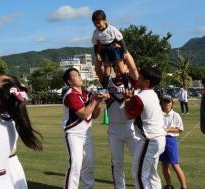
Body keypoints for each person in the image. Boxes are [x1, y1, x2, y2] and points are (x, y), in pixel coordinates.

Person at [100, 52, 140, 189]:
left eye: (122, 64)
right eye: (117, 65)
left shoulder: (133, 81)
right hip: (114, 129)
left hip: (131, 127)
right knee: (117, 163)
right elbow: (104, 70)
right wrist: (101, 54)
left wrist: (123, 50)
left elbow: (134, 69)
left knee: (138, 160)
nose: (119, 67)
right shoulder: (109, 82)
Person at [62, 67, 106, 189]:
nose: (79, 76)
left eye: (79, 74)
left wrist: (99, 102)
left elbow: (95, 115)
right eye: (75, 75)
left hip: (87, 135)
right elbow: (83, 114)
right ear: (69, 81)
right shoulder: (71, 95)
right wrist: (95, 100)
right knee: (75, 166)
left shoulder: (87, 93)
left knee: (89, 166)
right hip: (73, 134)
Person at [125, 67, 166, 189]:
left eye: (140, 77)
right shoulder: (152, 93)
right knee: (152, 174)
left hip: (149, 139)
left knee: (139, 175)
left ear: (146, 81)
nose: (137, 79)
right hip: (158, 137)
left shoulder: (140, 97)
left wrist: (127, 99)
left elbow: (128, 115)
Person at [91, 10, 129, 80]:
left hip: (114, 48)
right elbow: (95, 44)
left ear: (105, 20)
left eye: (99, 23)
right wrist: (97, 54)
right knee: (106, 69)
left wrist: (124, 52)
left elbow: (121, 40)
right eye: (95, 24)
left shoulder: (112, 29)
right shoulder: (96, 32)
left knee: (120, 67)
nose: (97, 25)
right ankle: (105, 87)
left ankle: (126, 85)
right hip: (105, 50)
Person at [159, 95, 187, 189]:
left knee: (175, 164)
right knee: (164, 164)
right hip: (160, 140)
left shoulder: (175, 115)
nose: (167, 104)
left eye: (168, 102)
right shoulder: (159, 114)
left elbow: (180, 129)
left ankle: (184, 186)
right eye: (164, 102)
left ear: (172, 104)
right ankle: (169, 185)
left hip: (170, 140)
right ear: (161, 103)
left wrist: (167, 129)